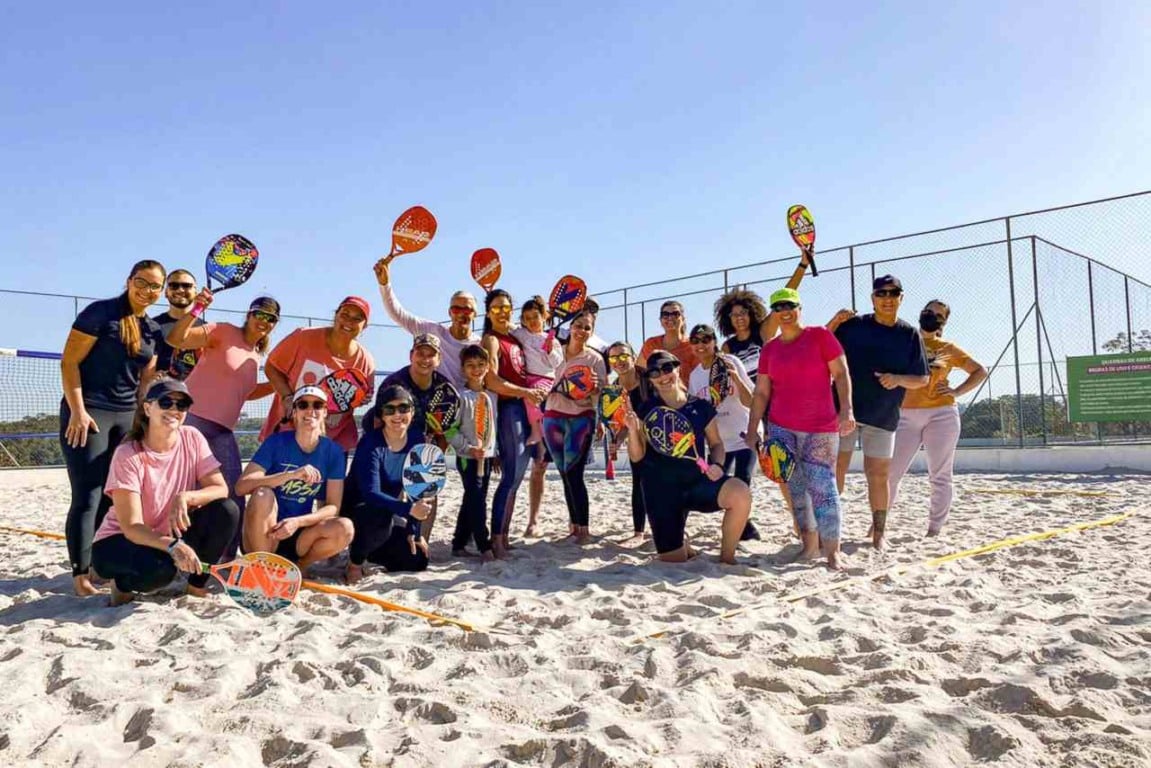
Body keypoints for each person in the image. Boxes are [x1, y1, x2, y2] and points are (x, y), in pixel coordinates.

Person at [60, 259, 165, 596]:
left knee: (113, 494)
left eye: (155, 286)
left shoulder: (152, 329)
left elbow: (144, 379)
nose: (147, 290)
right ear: (128, 280)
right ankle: (80, 576)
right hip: (89, 413)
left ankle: (98, 566)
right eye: (142, 282)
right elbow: (69, 362)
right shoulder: (99, 313)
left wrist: (144, 416)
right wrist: (78, 411)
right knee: (88, 494)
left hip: (126, 416)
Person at [91, 380, 239, 606]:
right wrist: (173, 546)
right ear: (148, 408)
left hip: (167, 534)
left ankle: (196, 586)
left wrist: (186, 497)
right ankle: (121, 585)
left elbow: (221, 488)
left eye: (181, 405)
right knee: (160, 571)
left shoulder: (192, 437)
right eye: (166, 402)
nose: (174, 410)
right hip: (119, 540)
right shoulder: (128, 454)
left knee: (226, 510)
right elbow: (132, 527)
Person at [746, 288, 855, 570]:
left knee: (823, 487)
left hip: (821, 426)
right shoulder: (770, 348)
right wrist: (752, 428)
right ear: (773, 312)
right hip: (782, 428)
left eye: (790, 305)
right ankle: (809, 547)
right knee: (796, 489)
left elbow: (841, 374)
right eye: (779, 306)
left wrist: (847, 410)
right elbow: (761, 393)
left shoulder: (820, 336)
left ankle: (833, 552)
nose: (785, 311)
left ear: (799, 308)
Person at [168, 292, 279, 557]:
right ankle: (173, 551)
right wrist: (197, 308)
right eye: (259, 314)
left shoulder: (256, 356)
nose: (264, 320)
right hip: (191, 422)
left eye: (271, 318)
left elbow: (245, 391)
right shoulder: (224, 331)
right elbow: (177, 339)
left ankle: (226, 556)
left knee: (233, 494)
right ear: (249, 315)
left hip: (222, 431)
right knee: (182, 490)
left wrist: (279, 384)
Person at [827, 275, 929, 549]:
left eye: (893, 293)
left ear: (901, 298)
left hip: (883, 415)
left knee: (879, 475)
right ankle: (829, 530)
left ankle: (879, 535)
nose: (887, 298)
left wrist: (897, 379)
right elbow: (819, 351)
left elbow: (922, 378)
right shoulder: (852, 327)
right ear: (872, 299)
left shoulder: (909, 334)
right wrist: (833, 323)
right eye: (881, 294)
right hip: (844, 411)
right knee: (836, 471)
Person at [625, 351, 752, 564]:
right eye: (655, 372)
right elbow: (637, 457)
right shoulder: (646, 409)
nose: (663, 376)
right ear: (650, 379)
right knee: (673, 560)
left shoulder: (701, 407)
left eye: (667, 368)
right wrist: (631, 430)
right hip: (661, 491)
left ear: (678, 369)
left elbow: (716, 443)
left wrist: (718, 464)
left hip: (696, 483)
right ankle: (682, 544)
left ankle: (727, 558)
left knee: (740, 493)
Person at [889, 300, 987, 536]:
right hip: (905, 414)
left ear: (944, 322)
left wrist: (957, 392)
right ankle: (878, 524)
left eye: (938, 314)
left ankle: (934, 529)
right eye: (928, 311)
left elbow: (980, 371)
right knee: (890, 473)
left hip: (941, 414)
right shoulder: (904, 341)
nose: (931, 315)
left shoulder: (948, 348)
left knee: (940, 474)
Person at [236, 386, 353, 572]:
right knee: (262, 494)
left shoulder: (333, 452)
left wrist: (297, 522)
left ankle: (301, 567)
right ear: (294, 412)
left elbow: (333, 507)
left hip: (298, 534)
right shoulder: (276, 442)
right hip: (265, 534)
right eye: (303, 405)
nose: (310, 410)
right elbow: (241, 487)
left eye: (317, 405)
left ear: (325, 412)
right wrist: (291, 475)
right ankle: (262, 569)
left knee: (345, 528)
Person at [258, 296, 376, 454]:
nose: (349, 321)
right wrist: (287, 397)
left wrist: (361, 400)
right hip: (286, 434)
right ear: (336, 315)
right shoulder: (303, 337)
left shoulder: (366, 361)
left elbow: (360, 397)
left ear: (365, 326)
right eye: (345, 314)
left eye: (357, 318)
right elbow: (272, 367)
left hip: (333, 443)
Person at [481, 289, 549, 558]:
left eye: (506, 307)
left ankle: (504, 536)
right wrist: (525, 393)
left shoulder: (516, 336)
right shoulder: (492, 340)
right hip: (510, 409)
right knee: (510, 477)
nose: (502, 312)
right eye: (496, 307)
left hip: (525, 406)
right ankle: (496, 539)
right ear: (488, 312)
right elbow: (492, 381)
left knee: (518, 477)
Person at [344, 385, 433, 580]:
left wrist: (413, 530)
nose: (397, 415)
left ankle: (370, 550)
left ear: (412, 411)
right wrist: (408, 510)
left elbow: (417, 490)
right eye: (389, 409)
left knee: (417, 558)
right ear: (381, 415)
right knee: (379, 516)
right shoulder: (371, 443)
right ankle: (355, 563)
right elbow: (370, 493)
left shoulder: (417, 439)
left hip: (387, 511)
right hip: (357, 509)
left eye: (403, 408)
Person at [686, 323, 761, 541]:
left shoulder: (731, 362)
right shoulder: (695, 376)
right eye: (695, 341)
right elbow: (697, 413)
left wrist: (735, 378)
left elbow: (750, 400)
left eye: (705, 340)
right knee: (715, 484)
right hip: (719, 442)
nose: (701, 345)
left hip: (744, 435)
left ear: (714, 342)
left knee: (743, 480)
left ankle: (744, 530)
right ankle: (742, 523)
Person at [542, 310, 607, 544]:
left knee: (574, 473)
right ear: (570, 327)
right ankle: (573, 525)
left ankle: (584, 529)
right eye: (578, 325)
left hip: (581, 418)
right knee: (563, 473)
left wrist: (597, 388)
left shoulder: (595, 359)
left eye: (587, 328)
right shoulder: (553, 351)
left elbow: (603, 396)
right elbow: (541, 380)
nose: (582, 331)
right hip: (552, 417)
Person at [373, 257, 480, 389]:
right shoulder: (432, 330)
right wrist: (385, 284)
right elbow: (397, 313)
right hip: (433, 404)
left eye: (467, 309)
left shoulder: (480, 345)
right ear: (449, 312)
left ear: (475, 314)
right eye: (456, 309)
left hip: (465, 405)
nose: (461, 313)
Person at [714, 252, 811, 380]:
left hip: (772, 392)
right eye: (734, 315)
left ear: (751, 313)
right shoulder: (727, 346)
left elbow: (785, 295)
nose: (739, 318)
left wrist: (803, 265)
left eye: (743, 313)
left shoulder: (763, 331)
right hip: (748, 398)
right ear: (728, 319)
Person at [447, 345, 496, 560]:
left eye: (480, 364)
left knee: (473, 499)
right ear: (463, 369)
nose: (476, 369)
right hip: (467, 459)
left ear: (487, 366)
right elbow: (450, 430)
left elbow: (491, 427)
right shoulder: (460, 396)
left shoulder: (491, 395)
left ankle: (459, 543)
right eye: (470, 365)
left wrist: (495, 453)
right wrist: (467, 448)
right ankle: (484, 545)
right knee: (477, 500)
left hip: (485, 458)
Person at [606, 341, 649, 543]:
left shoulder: (648, 379)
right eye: (614, 358)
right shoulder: (614, 389)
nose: (619, 361)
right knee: (638, 481)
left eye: (623, 356)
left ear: (633, 357)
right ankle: (639, 532)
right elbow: (622, 423)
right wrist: (617, 440)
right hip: (637, 439)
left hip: (658, 436)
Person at [511, 296, 564, 446]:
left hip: (544, 379)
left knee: (531, 396)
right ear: (523, 320)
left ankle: (536, 431)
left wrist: (550, 351)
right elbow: (509, 327)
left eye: (535, 316)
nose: (532, 321)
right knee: (526, 394)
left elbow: (556, 363)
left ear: (543, 316)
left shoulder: (552, 340)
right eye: (528, 318)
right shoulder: (522, 334)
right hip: (528, 378)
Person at [151, 269, 203, 380]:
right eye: (174, 285)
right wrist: (148, 378)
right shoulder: (150, 326)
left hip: (197, 394)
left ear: (196, 292)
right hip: (159, 394)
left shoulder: (207, 330)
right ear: (165, 292)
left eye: (187, 286)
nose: (180, 290)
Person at [638, 300, 696, 386]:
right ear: (660, 320)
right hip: (655, 397)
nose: (670, 318)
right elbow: (639, 372)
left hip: (685, 396)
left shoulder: (692, 346)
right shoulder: (651, 344)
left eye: (675, 314)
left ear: (683, 319)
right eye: (665, 314)